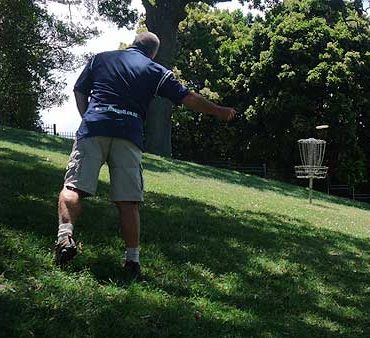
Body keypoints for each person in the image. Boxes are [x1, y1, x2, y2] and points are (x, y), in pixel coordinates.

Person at [54, 32, 236, 279]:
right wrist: (219, 111)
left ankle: (65, 236)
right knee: (129, 201)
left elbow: (79, 90)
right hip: (128, 134)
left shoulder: (100, 59)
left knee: (73, 187)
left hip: (94, 127)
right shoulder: (154, 70)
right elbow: (187, 98)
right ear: (153, 53)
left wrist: (87, 116)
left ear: (133, 43)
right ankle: (132, 262)